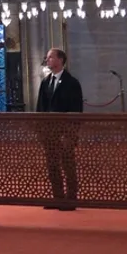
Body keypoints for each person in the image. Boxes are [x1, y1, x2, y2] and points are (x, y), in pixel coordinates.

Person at [36, 47, 84, 210]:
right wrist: (40, 129)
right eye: (47, 57)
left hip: (65, 132)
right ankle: (58, 197)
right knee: (52, 165)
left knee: (68, 164)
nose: (47, 60)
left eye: (50, 57)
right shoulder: (46, 81)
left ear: (60, 60)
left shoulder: (72, 83)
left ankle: (71, 199)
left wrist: (71, 133)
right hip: (49, 132)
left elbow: (76, 109)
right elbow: (40, 107)